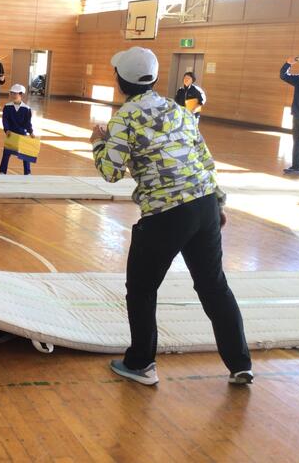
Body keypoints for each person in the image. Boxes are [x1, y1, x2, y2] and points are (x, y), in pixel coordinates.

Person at [90, 46, 252, 386]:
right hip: (204, 204)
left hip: (166, 214)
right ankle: (240, 364)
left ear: (120, 81)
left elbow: (110, 172)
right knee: (213, 286)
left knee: (142, 289)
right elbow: (203, 158)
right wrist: (218, 204)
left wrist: (98, 142)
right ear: (154, 78)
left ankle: (141, 364)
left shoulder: (124, 119)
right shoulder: (179, 110)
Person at [279, 56, 299, 177]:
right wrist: (288, 63)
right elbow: (283, 75)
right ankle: (295, 166)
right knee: (296, 142)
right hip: (297, 116)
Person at [0, 84, 34, 175]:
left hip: (22, 133)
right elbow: (5, 120)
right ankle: (2, 171)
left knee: (25, 154)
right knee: (6, 153)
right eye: (12, 93)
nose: (13, 95)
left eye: (15, 93)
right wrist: (6, 129)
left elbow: (27, 122)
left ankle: (27, 173)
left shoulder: (27, 108)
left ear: (21, 94)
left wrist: (31, 132)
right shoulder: (7, 107)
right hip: (11, 133)